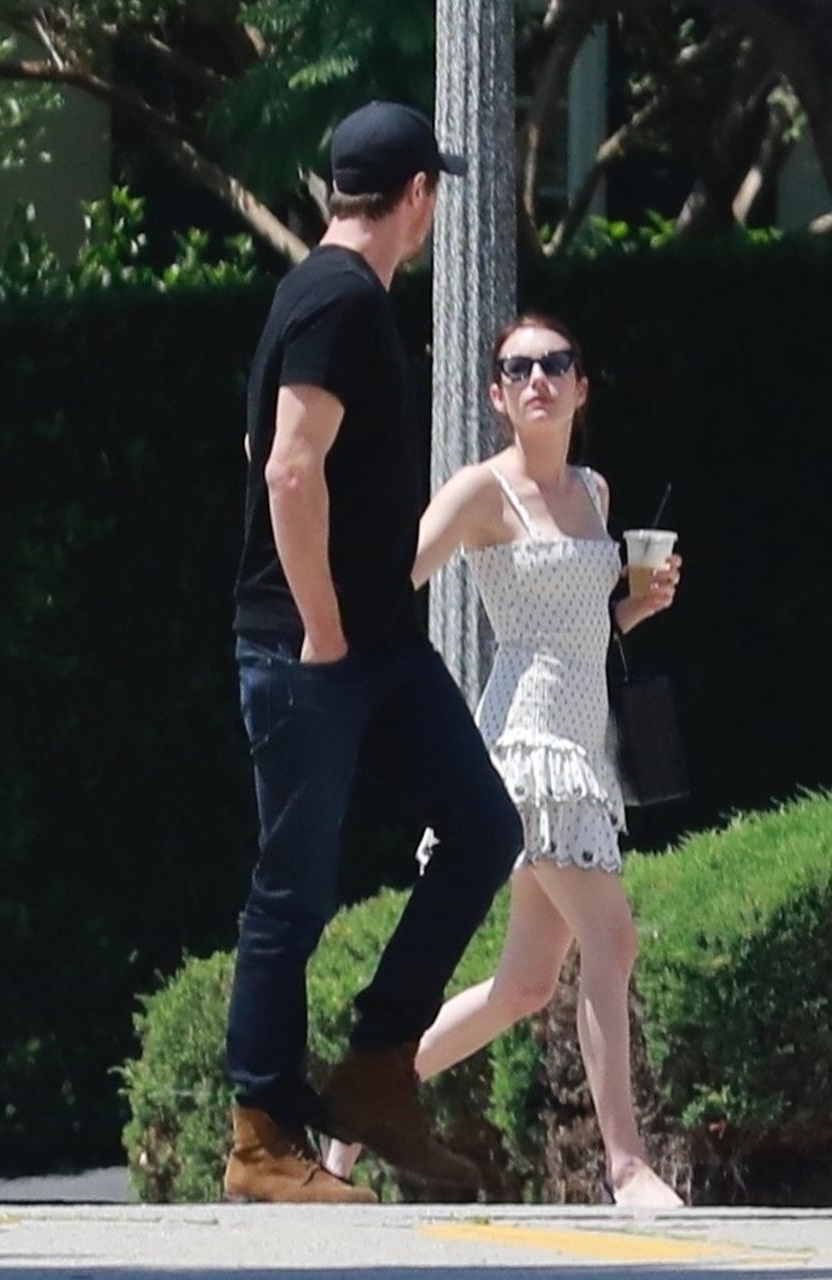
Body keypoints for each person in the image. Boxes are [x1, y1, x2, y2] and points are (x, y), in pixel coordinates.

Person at [224, 102, 525, 1204]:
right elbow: (286, 467)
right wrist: (322, 624)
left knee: (485, 826)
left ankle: (377, 1074)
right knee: (293, 890)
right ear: (419, 197)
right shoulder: (339, 298)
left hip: (380, 647)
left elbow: (262, 440)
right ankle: (261, 1140)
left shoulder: (324, 295)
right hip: (315, 650)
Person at [324, 313, 687, 1207]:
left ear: (581, 387)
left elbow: (584, 626)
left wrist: (636, 608)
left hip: (584, 749)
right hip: (525, 747)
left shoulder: (594, 491)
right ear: (497, 395)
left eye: (556, 364)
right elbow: (388, 583)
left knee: (524, 986)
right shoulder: (482, 493)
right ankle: (626, 1167)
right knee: (613, 938)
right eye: (518, 369)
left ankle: (353, 1108)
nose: (538, 381)